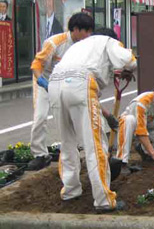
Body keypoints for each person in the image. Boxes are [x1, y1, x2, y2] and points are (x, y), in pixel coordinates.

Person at [48, 28, 136, 213]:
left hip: (55, 84)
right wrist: (128, 69)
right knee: (94, 145)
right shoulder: (107, 41)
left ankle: (70, 190)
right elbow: (129, 60)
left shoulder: (80, 46)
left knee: (67, 142)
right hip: (81, 83)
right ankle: (104, 200)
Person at [28, 12, 94, 171]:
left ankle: (73, 148)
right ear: (76, 29)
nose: (89, 35)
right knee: (40, 117)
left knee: (71, 116)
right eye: (87, 31)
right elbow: (36, 65)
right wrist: (43, 82)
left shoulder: (84, 46)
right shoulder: (55, 42)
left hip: (65, 83)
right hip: (44, 81)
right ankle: (39, 154)